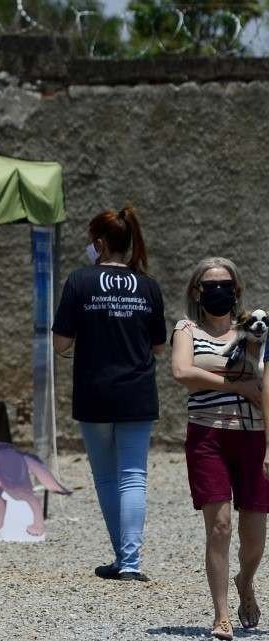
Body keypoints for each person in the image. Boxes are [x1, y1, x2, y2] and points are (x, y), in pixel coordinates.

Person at [52, 206, 165, 582]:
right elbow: (158, 347)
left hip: (94, 390)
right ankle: (130, 562)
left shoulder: (80, 280)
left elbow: (61, 343)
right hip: (137, 392)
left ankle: (123, 557)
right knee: (134, 475)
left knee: (105, 476)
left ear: (99, 243)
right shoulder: (148, 285)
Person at [171, 257, 267, 640]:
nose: (217, 292)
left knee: (255, 536)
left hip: (253, 436)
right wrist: (238, 386)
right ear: (196, 291)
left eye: (224, 285)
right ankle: (222, 614)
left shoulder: (255, 329)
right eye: (209, 286)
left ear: (236, 289)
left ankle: (246, 580)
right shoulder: (187, 329)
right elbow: (182, 371)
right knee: (220, 526)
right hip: (207, 436)